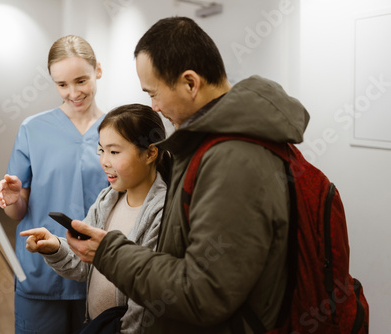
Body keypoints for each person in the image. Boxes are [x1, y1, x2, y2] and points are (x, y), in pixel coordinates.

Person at [65, 17, 310, 333]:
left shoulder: (233, 159)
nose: (153, 105)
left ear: (190, 83)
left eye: (154, 93)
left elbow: (205, 292)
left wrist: (109, 253)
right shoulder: (208, 145)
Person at [20, 103, 171, 333]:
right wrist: (55, 248)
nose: (104, 161)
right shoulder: (107, 200)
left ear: (150, 153)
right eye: (101, 150)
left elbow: (147, 295)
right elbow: (83, 266)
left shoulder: (162, 212)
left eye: (114, 151)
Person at [0, 35, 109, 334]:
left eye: (81, 80)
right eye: (62, 84)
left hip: (100, 270)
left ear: (98, 69)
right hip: (41, 270)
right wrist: (14, 198)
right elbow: (16, 213)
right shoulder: (33, 129)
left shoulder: (116, 129)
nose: (73, 93)